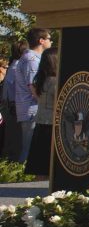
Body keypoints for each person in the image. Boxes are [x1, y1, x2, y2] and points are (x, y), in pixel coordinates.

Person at [14, 28, 52, 163]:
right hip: (32, 110)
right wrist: (46, 103)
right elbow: (33, 87)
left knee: (28, 147)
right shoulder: (32, 60)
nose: (51, 42)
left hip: (29, 109)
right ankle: (23, 178)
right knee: (29, 149)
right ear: (41, 41)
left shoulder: (28, 57)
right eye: (49, 39)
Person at [24, 47, 58, 178]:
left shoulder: (41, 80)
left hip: (40, 121)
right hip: (51, 124)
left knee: (40, 164)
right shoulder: (55, 82)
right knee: (49, 163)